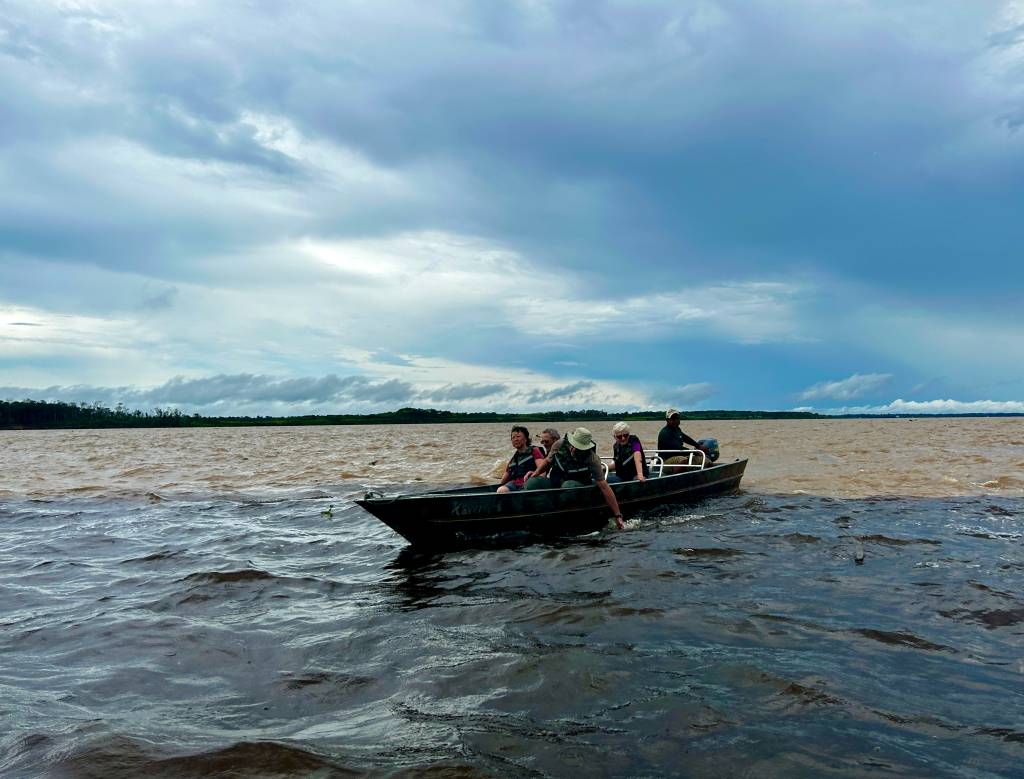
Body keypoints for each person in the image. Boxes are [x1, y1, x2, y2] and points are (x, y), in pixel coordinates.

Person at [525, 427, 625, 529]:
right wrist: (536, 473)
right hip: (557, 483)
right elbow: (547, 461)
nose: (575, 449)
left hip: (578, 489)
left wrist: (618, 515)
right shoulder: (558, 445)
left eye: (580, 448)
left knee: (569, 486)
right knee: (533, 482)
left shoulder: (592, 459)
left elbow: (604, 486)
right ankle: (536, 513)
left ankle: (562, 517)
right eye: (574, 445)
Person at [497, 425, 546, 493]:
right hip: (515, 485)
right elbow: (504, 478)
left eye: (518, 436)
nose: (515, 439)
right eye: (513, 437)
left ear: (526, 439)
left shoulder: (534, 451)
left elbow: (542, 471)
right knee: (501, 490)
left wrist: (534, 477)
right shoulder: (514, 459)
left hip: (529, 485)